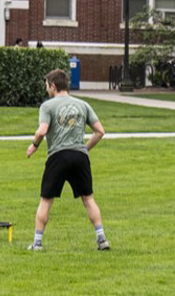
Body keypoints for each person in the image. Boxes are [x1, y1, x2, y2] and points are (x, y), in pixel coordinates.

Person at [26, 68, 109, 251]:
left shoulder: (47, 106)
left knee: (46, 200)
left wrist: (34, 145)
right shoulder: (83, 105)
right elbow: (100, 131)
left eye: (47, 86)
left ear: (53, 86)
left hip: (58, 156)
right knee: (88, 198)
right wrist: (84, 149)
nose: (47, 89)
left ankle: (37, 242)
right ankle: (101, 238)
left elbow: (42, 131)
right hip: (80, 156)